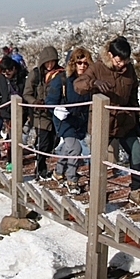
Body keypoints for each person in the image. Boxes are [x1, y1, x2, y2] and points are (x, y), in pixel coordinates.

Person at [74, 36, 140, 211]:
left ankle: (136, 190)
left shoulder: (129, 70)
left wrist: (137, 119)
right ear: (110, 55)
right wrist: (93, 83)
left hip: (125, 120)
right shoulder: (97, 68)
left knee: (137, 153)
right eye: (119, 60)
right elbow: (77, 85)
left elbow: (133, 95)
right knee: (98, 158)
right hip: (103, 122)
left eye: (126, 60)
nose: (122, 64)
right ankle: (95, 191)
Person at [46, 47, 93, 195]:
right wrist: (56, 109)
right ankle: (71, 180)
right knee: (75, 148)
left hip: (79, 120)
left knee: (68, 148)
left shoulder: (89, 81)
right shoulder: (62, 79)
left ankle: (58, 171)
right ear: (72, 63)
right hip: (64, 119)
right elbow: (49, 101)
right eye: (78, 63)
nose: (82, 66)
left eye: (85, 63)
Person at [23, 46, 63, 179]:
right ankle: (40, 169)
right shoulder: (35, 74)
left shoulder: (60, 73)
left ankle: (42, 162)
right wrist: (35, 102)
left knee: (54, 141)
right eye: (47, 62)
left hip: (56, 112)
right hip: (40, 114)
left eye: (53, 61)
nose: (50, 65)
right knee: (44, 143)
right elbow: (27, 93)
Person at [0, 56, 27, 170]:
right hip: (7, 111)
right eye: (3, 71)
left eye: (8, 70)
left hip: (22, 110)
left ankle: (16, 158)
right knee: (12, 135)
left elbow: (27, 92)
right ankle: (12, 160)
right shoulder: (1, 79)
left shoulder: (23, 77)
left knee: (17, 135)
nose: (6, 73)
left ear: (14, 68)